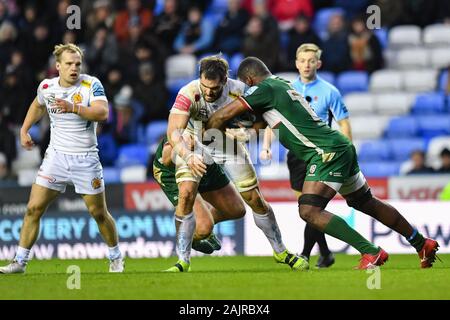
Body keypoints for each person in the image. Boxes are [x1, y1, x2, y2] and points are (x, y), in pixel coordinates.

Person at [207, 56, 440, 269]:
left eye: (246, 86)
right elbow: (258, 126)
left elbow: (220, 116)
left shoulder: (263, 88)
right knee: (366, 202)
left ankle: (371, 251)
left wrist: (202, 139)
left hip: (325, 152)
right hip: (339, 145)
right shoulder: (282, 85)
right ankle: (421, 243)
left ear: (249, 80)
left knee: (309, 210)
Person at [164, 55, 308, 272]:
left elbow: (261, 120)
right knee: (185, 194)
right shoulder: (188, 92)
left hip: (229, 146)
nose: (209, 92)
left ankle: (281, 251)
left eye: (214, 88)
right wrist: (187, 154)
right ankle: (182, 260)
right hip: (194, 146)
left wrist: (248, 132)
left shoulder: (240, 90)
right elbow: (173, 131)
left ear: (225, 80)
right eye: (205, 86)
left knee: (255, 199)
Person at [0, 44, 124, 274]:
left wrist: (73, 107)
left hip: (85, 159)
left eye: (77, 63)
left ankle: (116, 256)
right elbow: (38, 105)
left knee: (98, 213)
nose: (74, 68)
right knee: (33, 209)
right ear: (58, 66)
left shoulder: (91, 84)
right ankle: (20, 262)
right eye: (68, 64)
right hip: (56, 157)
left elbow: (102, 113)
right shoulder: (47, 86)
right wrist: (24, 130)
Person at [262, 43, 352, 268]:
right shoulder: (287, 89)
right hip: (296, 156)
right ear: (296, 63)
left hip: (322, 155)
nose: (306, 65)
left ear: (318, 64)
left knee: (311, 207)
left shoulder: (330, 91)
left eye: (311, 61)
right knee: (308, 210)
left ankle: (304, 254)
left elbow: (344, 123)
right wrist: (266, 146)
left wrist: (346, 150)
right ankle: (326, 253)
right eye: (302, 61)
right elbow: (272, 120)